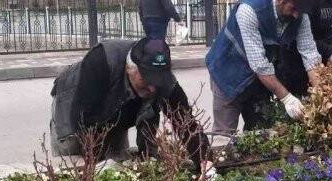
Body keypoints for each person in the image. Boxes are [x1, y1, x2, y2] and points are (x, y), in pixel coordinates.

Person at [50, 37, 212, 173]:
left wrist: (205, 161)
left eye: (158, 80)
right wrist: (97, 165)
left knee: (118, 161)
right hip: (73, 115)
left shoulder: (166, 83)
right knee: (77, 168)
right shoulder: (101, 60)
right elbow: (82, 119)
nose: (152, 88)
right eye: (147, 79)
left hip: (117, 115)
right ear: (130, 69)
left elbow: (186, 123)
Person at [206, 0, 323, 136]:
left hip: (259, 80)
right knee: (224, 136)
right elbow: (260, 65)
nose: (297, 15)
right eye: (294, 9)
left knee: (262, 133)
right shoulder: (249, 10)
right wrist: (287, 98)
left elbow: (310, 54)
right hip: (228, 74)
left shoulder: (300, 16)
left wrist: (321, 94)